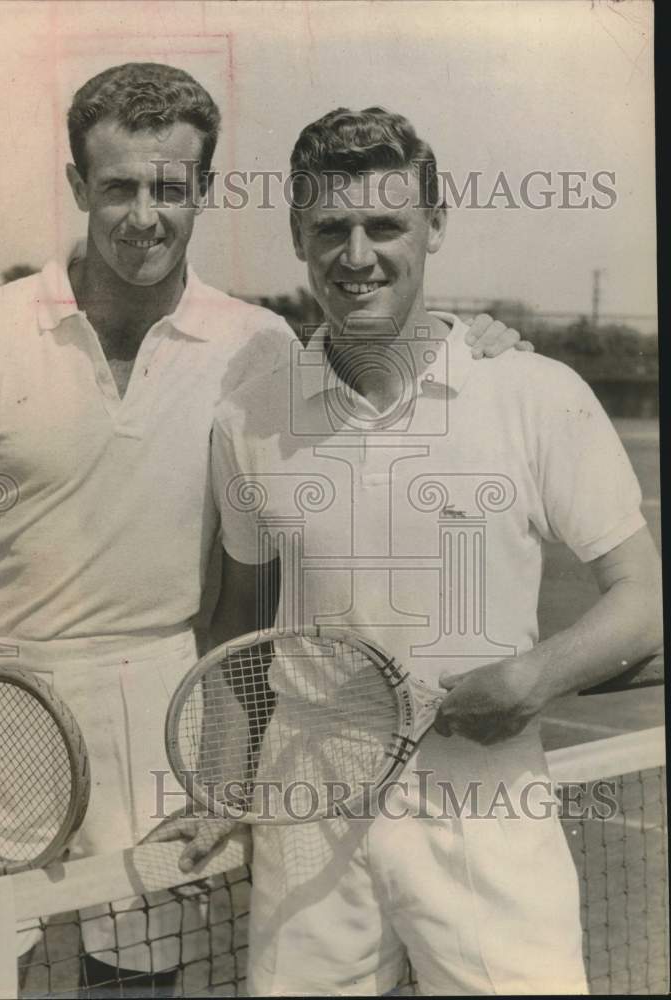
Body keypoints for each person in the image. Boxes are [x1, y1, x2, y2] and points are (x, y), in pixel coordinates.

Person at [0, 66, 524, 992]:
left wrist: (480, 340)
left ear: (204, 192)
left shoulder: (255, 345)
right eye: (119, 187)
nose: (145, 215)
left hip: (160, 705)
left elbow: (377, 365)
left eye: (170, 188)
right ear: (77, 189)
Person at [166, 106, 663, 994]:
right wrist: (220, 788)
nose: (357, 255)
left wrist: (533, 678)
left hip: (484, 798)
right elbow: (239, 633)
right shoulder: (250, 414)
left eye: (385, 224)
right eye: (330, 228)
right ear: (298, 237)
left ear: (434, 225)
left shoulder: (532, 391)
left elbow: (642, 595)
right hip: (304, 806)